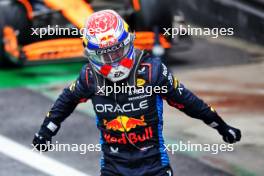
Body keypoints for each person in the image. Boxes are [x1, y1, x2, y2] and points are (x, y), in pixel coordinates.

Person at [32, 10, 241, 176]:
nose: (112, 61)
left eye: (116, 51)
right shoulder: (89, 77)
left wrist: (220, 125)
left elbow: (187, 101)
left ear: (128, 43)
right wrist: (46, 131)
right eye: (104, 55)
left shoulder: (152, 71)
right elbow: (66, 100)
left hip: (154, 167)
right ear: (91, 56)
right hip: (113, 168)